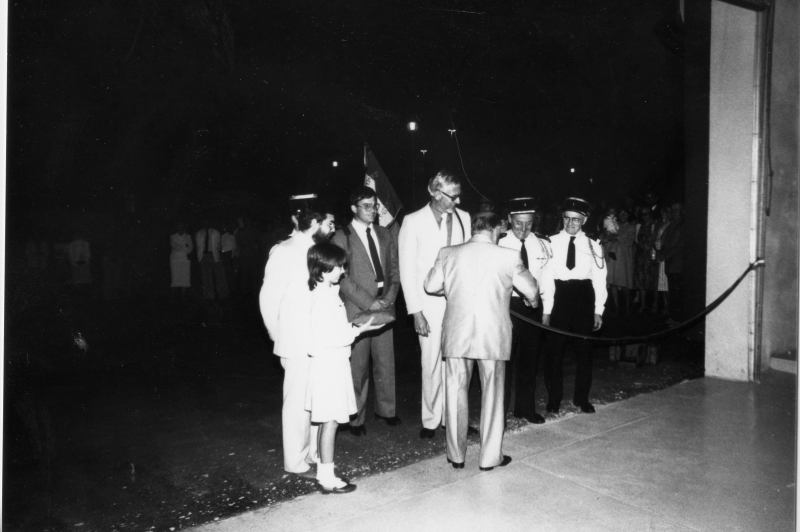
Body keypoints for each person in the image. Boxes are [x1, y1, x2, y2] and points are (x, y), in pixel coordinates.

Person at [424, 212, 538, 470]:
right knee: (493, 395)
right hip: (492, 334)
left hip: (457, 333)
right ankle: (489, 458)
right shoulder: (508, 256)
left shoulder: (448, 253)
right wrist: (534, 300)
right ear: (497, 228)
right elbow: (531, 290)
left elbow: (430, 286)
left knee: (455, 393)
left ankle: (456, 457)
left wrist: (454, 288)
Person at [259, 206, 336, 479]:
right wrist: (276, 334)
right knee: (297, 405)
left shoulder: (318, 250)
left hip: (318, 339)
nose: (334, 228)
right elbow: (269, 298)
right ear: (314, 223)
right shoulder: (286, 250)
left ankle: (314, 453)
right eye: (330, 223)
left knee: (316, 399)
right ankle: (295, 462)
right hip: (294, 339)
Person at [398, 169, 471, 439]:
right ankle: (431, 420)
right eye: (453, 197)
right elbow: (407, 270)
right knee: (430, 363)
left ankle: (454, 418)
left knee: (457, 362)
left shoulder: (464, 218)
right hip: (428, 305)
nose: (458, 202)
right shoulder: (413, 221)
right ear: (436, 193)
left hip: (459, 303)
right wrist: (415, 311)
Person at [305, 242, 382, 493]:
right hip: (329, 367)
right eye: (338, 266)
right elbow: (330, 337)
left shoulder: (326, 292)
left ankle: (322, 470)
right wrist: (357, 330)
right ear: (323, 269)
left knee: (327, 421)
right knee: (331, 422)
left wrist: (354, 328)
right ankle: (326, 478)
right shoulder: (323, 299)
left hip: (331, 364)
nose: (342, 271)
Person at [331, 186, 402, 436]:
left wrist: (390, 297)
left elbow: (394, 269)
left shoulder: (385, 234)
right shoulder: (343, 236)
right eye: (366, 206)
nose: (373, 210)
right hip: (357, 309)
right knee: (357, 366)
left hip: (384, 305)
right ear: (354, 208)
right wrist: (368, 302)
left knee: (385, 362)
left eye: (374, 205)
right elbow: (343, 278)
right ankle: (355, 418)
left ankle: (387, 410)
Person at [541, 197, 607, 414]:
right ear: (562, 218)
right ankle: (554, 398)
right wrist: (547, 309)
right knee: (554, 352)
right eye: (567, 219)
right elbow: (547, 278)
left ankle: (582, 398)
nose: (571, 224)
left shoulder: (593, 244)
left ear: (584, 220)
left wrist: (598, 309)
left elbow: (599, 278)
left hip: (583, 297)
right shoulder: (549, 242)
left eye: (576, 220)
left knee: (584, 351)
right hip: (560, 296)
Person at [498, 197, 552, 424]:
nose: (523, 228)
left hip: (534, 308)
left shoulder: (542, 244)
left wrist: (547, 311)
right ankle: (499, 413)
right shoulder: (498, 242)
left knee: (530, 359)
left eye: (528, 223)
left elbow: (548, 280)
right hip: (507, 306)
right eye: (518, 223)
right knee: (504, 361)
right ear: (510, 219)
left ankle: (525, 408)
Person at [605, 207, 636, 316]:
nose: (622, 215)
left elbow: (628, 241)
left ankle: (627, 307)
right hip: (613, 257)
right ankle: (616, 307)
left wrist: (616, 236)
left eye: (625, 214)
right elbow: (608, 237)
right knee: (613, 282)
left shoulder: (631, 227)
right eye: (621, 213)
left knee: (624, 283)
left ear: (628, 215)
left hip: (623, 257)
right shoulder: (614, 224)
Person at [660, 202, 684, 326]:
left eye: (677, 209)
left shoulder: (683, 226)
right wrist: (662, 250)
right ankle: (673, 316)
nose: (674, 212)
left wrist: (665, 254)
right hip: (670, 265)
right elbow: (664, 242)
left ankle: (678, 319)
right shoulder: (671, 226)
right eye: (673, 209)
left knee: (677, 293)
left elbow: (680, 246)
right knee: (672, 292)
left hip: (678, 265)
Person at [195, 220, 228, 302]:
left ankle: (223, 295)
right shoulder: (199, 233)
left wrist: (217, 254)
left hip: (214, 256)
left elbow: (219, 245)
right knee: (206, 277)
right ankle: (209, 296)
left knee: (219, 276)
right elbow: (198, 246)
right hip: (203, 256)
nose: (205, 224)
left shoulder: (215, 232)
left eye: (207, 222)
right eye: (204, 222)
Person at [633, 207, 658, 312]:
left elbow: (656, 241)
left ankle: (655, 305)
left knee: (653, 281)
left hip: (651, 257)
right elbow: (636, 241)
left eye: (646, 214)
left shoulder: (654, 225)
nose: (644, 216)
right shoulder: (640, 226)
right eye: (642, 214)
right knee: (641, 281)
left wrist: (653, 257)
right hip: (641, 257)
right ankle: (643, 304)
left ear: (650, 214)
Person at [652, 207, 671, 316]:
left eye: (666, 211)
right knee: (660, 284)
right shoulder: (659, 224)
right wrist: (656, 252)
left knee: (666, 284)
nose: (663, 213)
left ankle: (668, 308)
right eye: (662, 211)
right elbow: (655, 239)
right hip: (659, 256)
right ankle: (662, 307)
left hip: (666, 256)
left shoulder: (671, 224)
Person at [170, 223, 193, 300]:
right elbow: (174, 246)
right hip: (175, 258)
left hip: (184, 257)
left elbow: (190, 248)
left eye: (182, 227)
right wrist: (184, 246)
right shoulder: (173, 237)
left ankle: (183, 295)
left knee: (184, 276)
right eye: (179, 227)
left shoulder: (188, 236)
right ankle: (173, 296)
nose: (180, 228)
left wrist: (182, 247)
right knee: (175, 276)